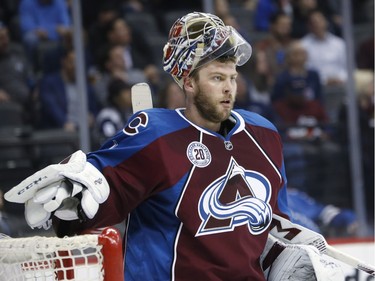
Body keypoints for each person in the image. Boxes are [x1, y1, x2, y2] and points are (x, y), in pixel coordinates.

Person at [5, 12, 343, 281]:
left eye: (232, 78)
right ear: (189, 82)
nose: (228, 89)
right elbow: (106, 192)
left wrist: (290, 255)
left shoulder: (263, 134)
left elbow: (271, 225)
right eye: (216, 78)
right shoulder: (157, 135)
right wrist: (76, 200)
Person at [36, 48, 98, 131]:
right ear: (64, 62)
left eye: (79, 63)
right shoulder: (49, 83)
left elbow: (95, 107)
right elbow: (51, 107)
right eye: (72, 62)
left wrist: (92, 117)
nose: (76, 66)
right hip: (60, 131)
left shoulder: (85, 85)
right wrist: (64, 122)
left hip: (85, 130)